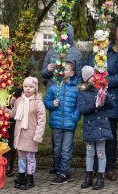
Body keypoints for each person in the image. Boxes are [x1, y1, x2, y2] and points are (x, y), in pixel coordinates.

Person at [86, 22, 118, 180]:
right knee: (96, 134)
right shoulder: (95, 51)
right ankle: (95, 168)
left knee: (109, 135)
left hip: (112, 101)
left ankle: (109, 167)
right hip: (95, 99)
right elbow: (87, 70)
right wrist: (92, 81)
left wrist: (103, 82)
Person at [41, 24, 83, 174]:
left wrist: (76, 93)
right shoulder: (52, 51)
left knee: (66, 138)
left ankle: (64, 167)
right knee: (56, 133)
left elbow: (79, 77)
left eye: (66, 34)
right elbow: (43, 73)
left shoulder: (76, 54)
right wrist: (48, 70)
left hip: (70, 97)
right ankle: (56, 162)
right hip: (55, 95)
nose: (63, 36)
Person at [6, 76, 46, 190]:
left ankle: (30, 178)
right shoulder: (19, 101)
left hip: (31, 135)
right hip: (20, 134)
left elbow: (42, 121)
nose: (28, 89)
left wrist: (38, 135)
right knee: (21, 157)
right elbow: (13, 114)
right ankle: (22, 176)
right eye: (25, 86)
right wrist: (5, 110)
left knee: (30, 157)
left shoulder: (38, 103)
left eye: (31, 87)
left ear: (35, 88)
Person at [77, 65, 114, 190]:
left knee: (101, 153)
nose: (95, 78)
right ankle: (88, 177)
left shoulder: (102, 89)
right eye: (92, 77)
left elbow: (111, 105)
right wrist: (96, 104)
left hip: (101, 127)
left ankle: (100, 177)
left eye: (96, 75)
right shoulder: (82, 92)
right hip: (90, 127)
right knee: (89, 152)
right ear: (87, 79)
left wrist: (106, 97)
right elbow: (82, 109)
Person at [44, 61, 81, 184]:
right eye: (61, 69)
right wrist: (52, 104)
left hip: (69, 124)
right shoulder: (54, 87)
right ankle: (60, 171)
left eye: (66, 69)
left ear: (72, 73)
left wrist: (74, 118)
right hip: (56, 123)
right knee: (57, 150)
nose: (63, 71)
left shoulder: (76, 89)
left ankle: (64, 173)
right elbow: (47, 102)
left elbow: (78, 105)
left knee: (66, 150)